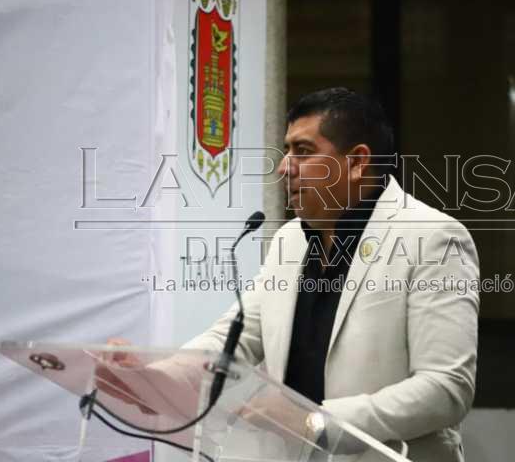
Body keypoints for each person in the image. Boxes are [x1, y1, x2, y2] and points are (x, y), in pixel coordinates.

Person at [174, 87, 480, 462]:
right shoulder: (289, 240)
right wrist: (159, 374)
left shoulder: (432, 237)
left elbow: (446, 388)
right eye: (286, 150)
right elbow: (236, 336)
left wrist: (316, 421)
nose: (284, 167)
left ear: (357, 162)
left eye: (303, 151)